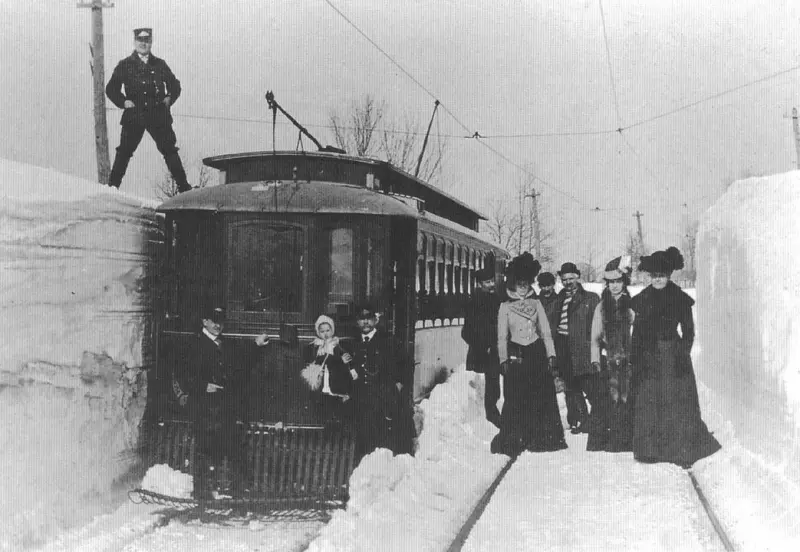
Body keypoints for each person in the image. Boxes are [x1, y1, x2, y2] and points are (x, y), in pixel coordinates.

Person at [631, 247, 721, 468]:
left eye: (662, 276)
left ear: (669, 275)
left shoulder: (679, 297)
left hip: (673, 355)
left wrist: (681, 352)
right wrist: (637, 357)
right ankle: (650, 450)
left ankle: (680, 450)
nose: (658, 280)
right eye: (654, 276)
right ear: (649, 277)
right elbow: (638, 332)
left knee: (677, 401)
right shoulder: (642, 299)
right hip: (649, 355)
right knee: (651, 399)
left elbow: (688, 331)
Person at [171, 306, 270, 498]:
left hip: (226, 406)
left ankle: (237, 492)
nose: (218, 325)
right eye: (213, 320)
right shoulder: (193, 344)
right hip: (204, 406)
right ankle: (202, 493)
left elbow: (242, 359)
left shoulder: (226, 344)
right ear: (204, 322)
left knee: (233, 447)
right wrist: (202, 386)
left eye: (221, 321)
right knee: (205, 449)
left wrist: (256, 344)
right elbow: (181, 374)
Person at [492, 252, 566, 455]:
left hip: (535, 354)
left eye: (526, 284)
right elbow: (501, 336)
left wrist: (551, 355)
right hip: (516, 354)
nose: (523, 288)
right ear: (513, 285)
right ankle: (515, 438)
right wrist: (503, 359)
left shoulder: (536, 304)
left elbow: (546, 332)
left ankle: (540, 437)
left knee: (539, 397)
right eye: (520, 284)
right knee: (516, 397)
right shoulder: (505, 306)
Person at [105, 28, 191, 192]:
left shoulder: (159, 64)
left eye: (147, 41)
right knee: (124, 152)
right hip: (134, 115)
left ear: (151, 42)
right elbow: (111, 89)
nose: (143, 44)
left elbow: (175, 85)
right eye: (140, 40)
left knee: (170, 151)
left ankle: (184, 188)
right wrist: (123, 102)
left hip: (158, 115)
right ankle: (112, 187)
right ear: (135, 42)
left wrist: (169, 98)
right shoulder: (125, 65)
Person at [350, 305, 413, 459]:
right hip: (363, 398)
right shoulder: (353, 343)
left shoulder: (388, 340)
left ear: (375, 320)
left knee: (386, 436)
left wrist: (398, 384)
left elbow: (406, 364)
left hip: (385, 397)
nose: (365, 322)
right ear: (357, 322)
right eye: (361, 319)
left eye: (369, 319)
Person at [589, 256, 635, 452]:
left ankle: (628, 440)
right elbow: (595, 337)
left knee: (628, 397)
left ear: (624, 283)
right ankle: (609, 440)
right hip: (609, 360)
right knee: (610, 398)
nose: (615, 286)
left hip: (629, 359)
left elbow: (638, 331)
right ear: (606, 284)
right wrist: (595, 359)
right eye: (611, 283)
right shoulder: (601, 307)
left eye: (618, 282)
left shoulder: (632, 305)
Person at [551, 262, 601, 434]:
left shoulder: (590, 298)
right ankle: (579, 419)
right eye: (564, 279)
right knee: (570, 386)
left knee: (590, 385)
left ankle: (600, 419)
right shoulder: (559, 298)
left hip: (583, 347)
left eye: (571, 278)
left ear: (578, 277)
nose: (568, 282)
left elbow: (599, 325)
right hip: (563, 345)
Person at [461, 265, 502, 427]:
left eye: (492, 281)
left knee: (494, 383)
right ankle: (485, 416)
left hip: (495, 349)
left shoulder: (497, 299)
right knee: (482, 382)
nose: (491, 284)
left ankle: (491, 415)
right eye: (487, 282)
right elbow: (467, 331)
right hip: (481, 350)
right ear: (480, 284)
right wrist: (482, 345)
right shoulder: (474, 302)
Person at [302, 315, 356, 425]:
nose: (325, 334)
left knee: (337, 412)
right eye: (322, 331)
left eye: (328, 330)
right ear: (318, 332)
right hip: (320, 383)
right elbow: (316, 361)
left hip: (335, 382)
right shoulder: (314, 346)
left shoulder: (337, 345)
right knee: (322, 412)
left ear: (332, 330)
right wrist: (337, 360)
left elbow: (346, 362)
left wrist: (344, 363)